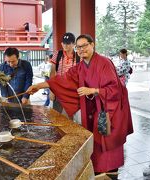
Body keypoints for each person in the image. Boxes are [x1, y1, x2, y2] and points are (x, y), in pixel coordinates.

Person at [27, 34, 133, 177]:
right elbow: (64, 79)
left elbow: (115, 89)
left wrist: (94, 90)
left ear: (92, 45)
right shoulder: (81, 66)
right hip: (92, 109)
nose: (81, 49)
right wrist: (39, 85)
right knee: (95, 139)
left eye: (84, 45)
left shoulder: (104, 63)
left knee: (107, 138)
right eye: (78, 47)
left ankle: (111, 171)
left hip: (108, 109)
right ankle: (99, 169)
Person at [49, 32, 80, 114]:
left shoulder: (78, 57)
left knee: (70, 117)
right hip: (58, 89)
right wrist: (51, 91)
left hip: (71, 92)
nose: (65, 45)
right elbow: (52, 72)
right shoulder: (58, 54)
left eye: (68, 43)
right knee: (56, 115)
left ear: (74, 44)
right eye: (64, 43)